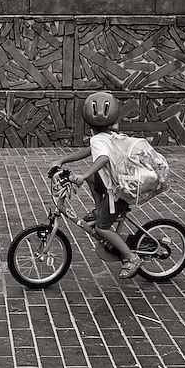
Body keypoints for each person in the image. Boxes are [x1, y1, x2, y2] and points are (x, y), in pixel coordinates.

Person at [50, 91, 143, 279]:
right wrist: (62, 160)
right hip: (122, 184)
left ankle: (131, 258)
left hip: (117, 192)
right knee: (94, 178)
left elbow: (103, 158)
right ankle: (99, 210)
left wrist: (84, 175)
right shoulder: (109, 136)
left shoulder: (98, 139)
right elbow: (87, 152)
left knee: (102, 228)